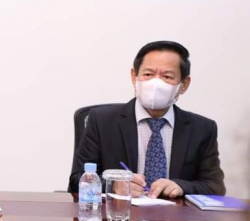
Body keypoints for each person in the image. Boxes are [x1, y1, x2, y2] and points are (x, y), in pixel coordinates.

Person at [68, 41, 225, 198]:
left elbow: (215, 186)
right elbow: (77, 180)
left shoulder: (202, 128)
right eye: (148, 74)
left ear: (184, 84)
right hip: (120, 211)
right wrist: (114, 185)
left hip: (174, 212)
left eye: (167, 76)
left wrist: (181, 186)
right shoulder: (102, 121)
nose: (156, 84)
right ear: (134, 77)